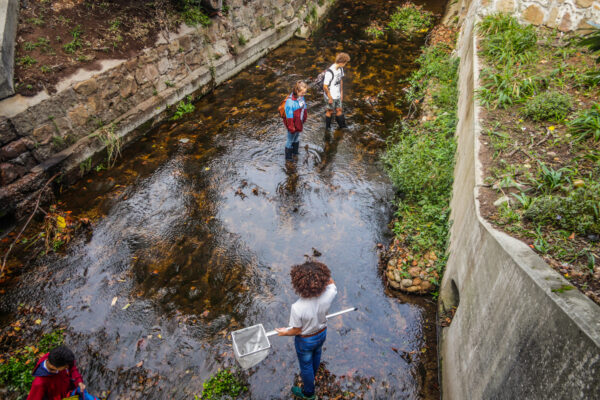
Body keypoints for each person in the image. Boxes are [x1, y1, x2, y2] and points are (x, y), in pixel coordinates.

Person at [276, 261, 337, 399]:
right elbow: (331, 282)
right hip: (322, 333)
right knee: (317, 354)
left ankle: (309, 393)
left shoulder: (297, 307)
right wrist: (321, 277)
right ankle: (313, 374)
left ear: (299, 284)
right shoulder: (330, 293)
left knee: (305, 365)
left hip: (306, 340)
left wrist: (284, 332)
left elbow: (296, 330)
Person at [27, 345, 97, 400]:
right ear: (54, 366)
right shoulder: (39, 383)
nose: (67, 368)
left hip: (71, 391)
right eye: (65, 367)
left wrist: (79, 381)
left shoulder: (55, 358)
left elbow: (72, 367)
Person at [323, 52, 351, 130]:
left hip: (337, 94)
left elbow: (340, 80)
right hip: (330, 95)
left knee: (339, 109)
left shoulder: (340, 69)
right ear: (341, 62)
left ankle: (343, 127)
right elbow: (325, 86)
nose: (345, 64)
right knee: (330, 111)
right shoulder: (330, 72)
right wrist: (330, 97)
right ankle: (327, 128)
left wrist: (341, 93)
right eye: (345, 63)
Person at [283, 81, 308, 162]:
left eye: (305, 92)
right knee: (290, 140)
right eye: (302, 93)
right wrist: (291, 128)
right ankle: (288, 158)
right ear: (297, 91)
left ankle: (295, 152)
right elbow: (289, 117)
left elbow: (304, 107)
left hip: (299, 122)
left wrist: (304, 117)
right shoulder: (290, 102)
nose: (304, 94)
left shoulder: (301, 97)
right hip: (292, 125)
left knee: (296, 137)